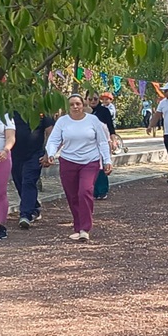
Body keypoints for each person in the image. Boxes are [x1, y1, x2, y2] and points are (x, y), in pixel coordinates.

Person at [43, 94, 112, 241]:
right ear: (69, 106)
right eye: (72, 104)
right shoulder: (62, 121)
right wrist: (50, 153)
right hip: (68, 161)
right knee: (72, 195)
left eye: (78, 104)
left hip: (90, 161)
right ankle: (78, 226)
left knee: (85, 191)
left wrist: (107, 160)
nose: (75, 107)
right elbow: (54, 140)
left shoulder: (93, 120)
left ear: (83, 105)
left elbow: (102, 142)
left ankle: (85, 228)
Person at [11, 111, 54, 229]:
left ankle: (26, 215)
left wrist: (48, 153)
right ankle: (33, 206)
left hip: (35, 154)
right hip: (15, 154)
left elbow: (51, 132)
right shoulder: (11, 110)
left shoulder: (41, 110)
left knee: (28, 181)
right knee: (18, 181)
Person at [87, 91, 116, 200]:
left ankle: (102, 190)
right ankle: (93, 190)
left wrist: (113, 140)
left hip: (103, 141)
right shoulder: (85, 112)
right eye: (90, 99)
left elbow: (110, 126)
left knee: (102, 164)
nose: (93, 101)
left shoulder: (103, 111)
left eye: (95, 99)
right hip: (89, 143)